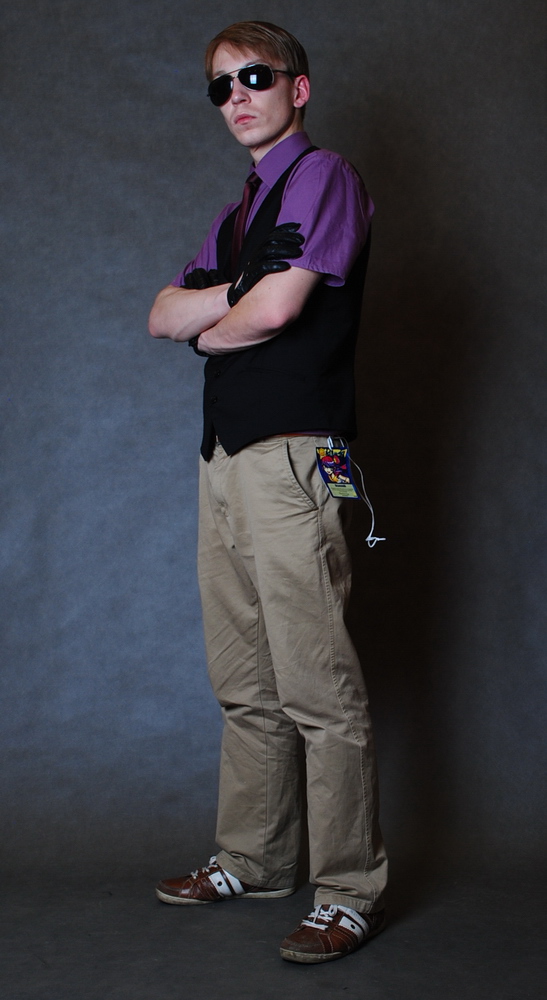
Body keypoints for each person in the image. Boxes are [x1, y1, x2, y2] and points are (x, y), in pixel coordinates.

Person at [148, 20, 387, 964]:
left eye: (254, 77)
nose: (237, 97)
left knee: (318, 690)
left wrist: (220, 316)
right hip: (224, 460)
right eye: (221, 85)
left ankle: (348, 892)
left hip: (293, 460)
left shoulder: (323, 177)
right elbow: (161, 312)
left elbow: (279, 308)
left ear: (299, 87)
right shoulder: (238, 211)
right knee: (244, 685)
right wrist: (231, 298)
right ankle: (255, 856)